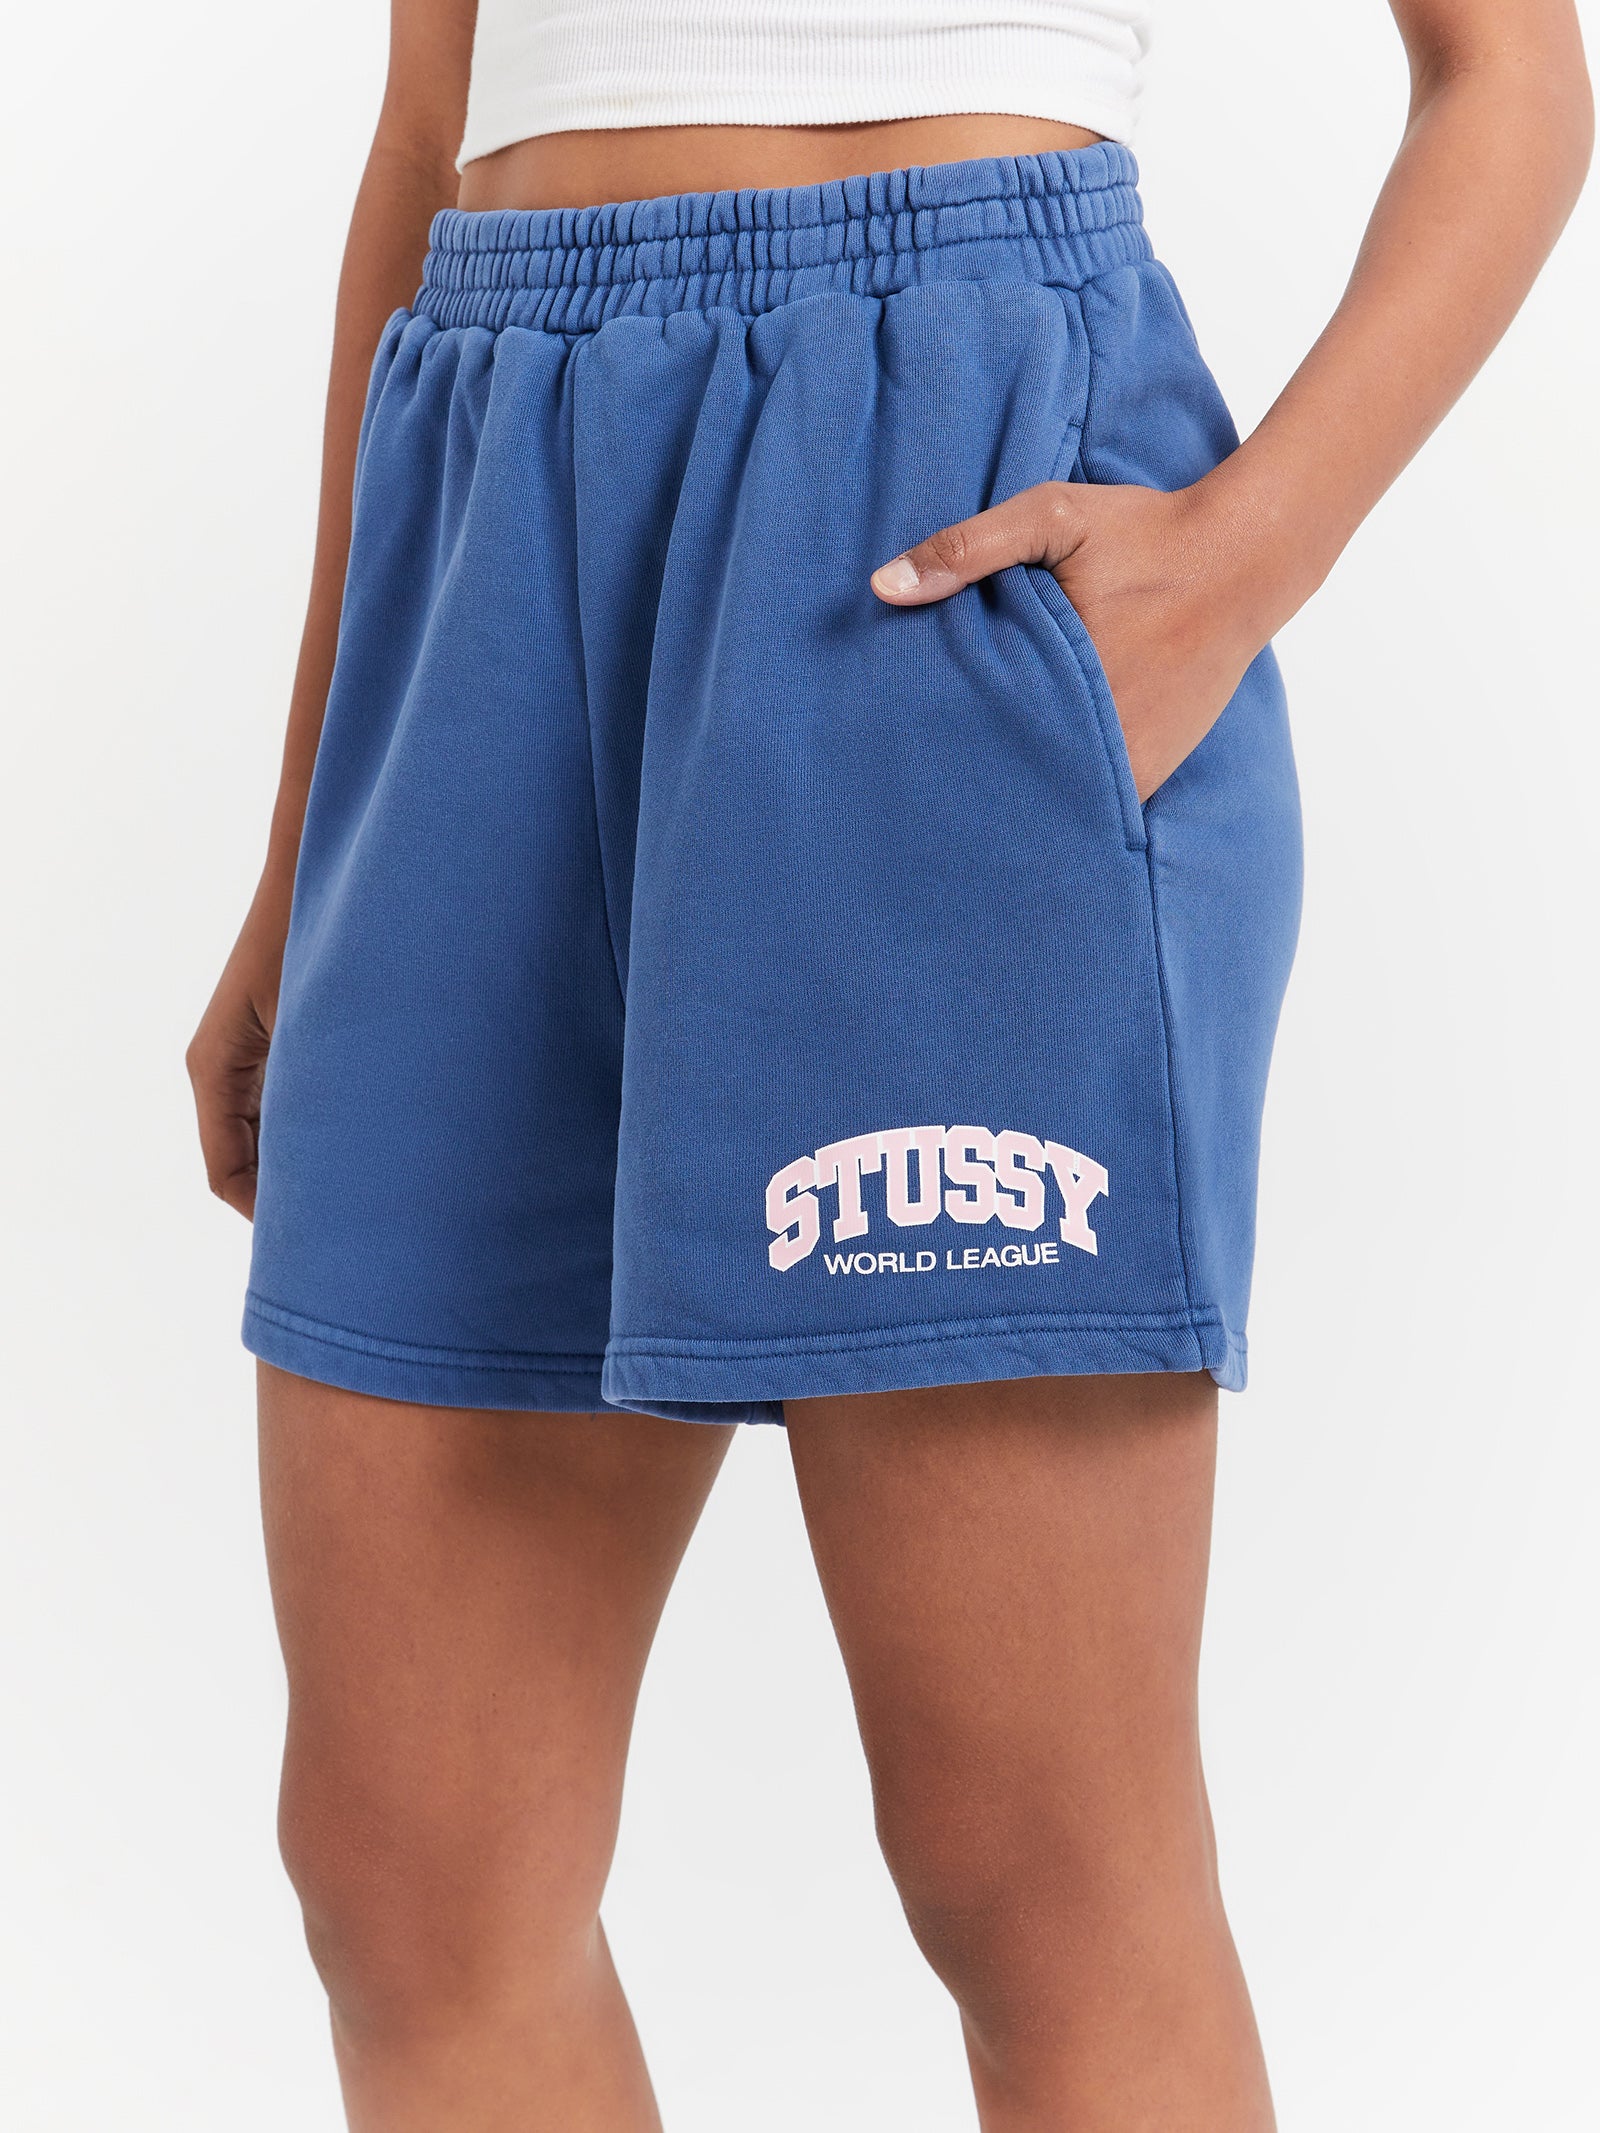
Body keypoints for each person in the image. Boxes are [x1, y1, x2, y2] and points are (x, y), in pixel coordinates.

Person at [186, 2, 1591, 2125]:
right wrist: (311, 833)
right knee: (407, 1876)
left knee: (1030, 1872)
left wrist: (1234, 566)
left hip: (936, 475)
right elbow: (424, 126)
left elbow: (1511, 74)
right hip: (486, 504)